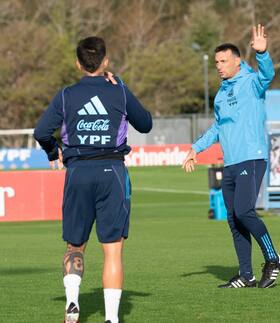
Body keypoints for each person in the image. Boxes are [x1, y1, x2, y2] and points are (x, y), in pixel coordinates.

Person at [34, 36, 152, 322]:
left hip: (77, 172)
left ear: (78, 63)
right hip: (112, 172)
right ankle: (111, 318)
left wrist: (54, 151)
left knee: (75, 245)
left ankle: (73, 304)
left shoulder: (66, 95)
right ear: (105, 61)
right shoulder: (119, 92)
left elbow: (41, 132)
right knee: (112, 251)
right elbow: (146, 124)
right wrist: (121, 85)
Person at [182, 24, 280, 288]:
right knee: (233, 218)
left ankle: (273, 258)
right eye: (216, 61)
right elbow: (218, 127)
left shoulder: (251, 82)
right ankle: (246, 274)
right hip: (230, 162)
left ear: (237, 62)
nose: (218, 65)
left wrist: (262, 53)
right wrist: (195, 149)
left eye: (223, 61)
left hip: (251, 157)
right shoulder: (221, 94)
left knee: (244, 211)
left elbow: (268, 75)